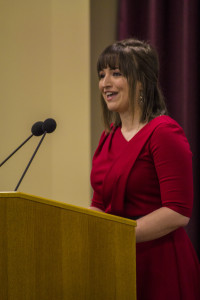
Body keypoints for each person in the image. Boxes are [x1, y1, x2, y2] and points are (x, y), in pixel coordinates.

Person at [89, 38, 200, 299]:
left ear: (141, 81)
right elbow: (99, 203)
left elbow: (177, 211)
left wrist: (117, 237)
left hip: (160, 264)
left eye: (116, 73)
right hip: (118, 263)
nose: (105, 83)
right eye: (102, 74)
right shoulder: (109, 137)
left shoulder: (164, 132)